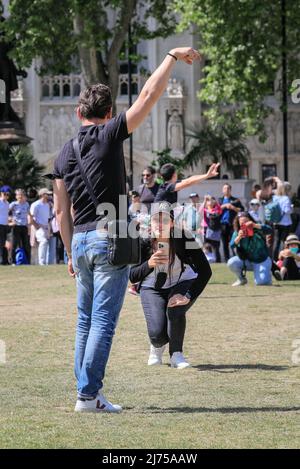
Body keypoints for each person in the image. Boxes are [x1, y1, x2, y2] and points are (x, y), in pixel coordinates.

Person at [52, 47, 202, 413]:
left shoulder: (63, 153)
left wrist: (70, 252)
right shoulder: (108, 136)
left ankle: (85, 392)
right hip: (109, 237)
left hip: (82, 241)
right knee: (102, 320)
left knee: (84, 320)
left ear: (77, 113)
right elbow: (149, 95)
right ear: (108, 114)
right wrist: (170, 57)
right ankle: (88, 396)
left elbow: (60, 210)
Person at [129, 202, 212, 369]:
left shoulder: (183, 237)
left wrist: (187, 295)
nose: (160, 224)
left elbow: (205, 271)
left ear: (172, 223)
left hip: (181, 282)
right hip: (152, 288)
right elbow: (131, 276)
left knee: (175, 309)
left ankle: (176, 354)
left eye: (165, 220)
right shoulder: (143, 242)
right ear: (150, 224)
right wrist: (149, 264)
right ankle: (156, 347)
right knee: (158, 334)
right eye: (156, 220)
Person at [228, 212, 273, 286]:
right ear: (238, 223)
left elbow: (269, 230)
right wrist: (239, 237)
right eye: (242, 223)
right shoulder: (238, 232)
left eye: (246, 221)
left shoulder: (258, 228)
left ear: (250, 220)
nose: (244, 224)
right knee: (231, 262)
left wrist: (255, 225)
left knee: (261, 283)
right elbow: (232, 245)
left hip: (261, 261)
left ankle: (267, 273)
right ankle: (241, 279)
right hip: (248, 261)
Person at [155, 162, 220, 205]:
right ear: (174, 175)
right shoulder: (168, 187)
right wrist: (206, 176)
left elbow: (190, 179)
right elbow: (188, 182)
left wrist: (207, 175)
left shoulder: (167, 186)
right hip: (160, 223)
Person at [219, 183, 244, 262]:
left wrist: (233, 207)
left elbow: (242, 210)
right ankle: (227, 259)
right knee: (224, 243)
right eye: (225, 188)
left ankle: (235, 258)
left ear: (230, 190)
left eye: (228, 188)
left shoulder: (236, 200)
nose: (226, 190)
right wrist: (224, 206)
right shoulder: (220, 200)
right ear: (222, 190)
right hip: (223, 224)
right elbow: (215, 210)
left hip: (232, 224)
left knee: (233, 241)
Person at [30, 188, 51, 265]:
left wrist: (49, 228)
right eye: (47, 194)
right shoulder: (35, 204)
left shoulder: (47, 205)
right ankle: (41, 262)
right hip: (38, 227)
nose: (49, 195)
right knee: (43, 242)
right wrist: (37, 226)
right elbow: (31, 217)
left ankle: (43, 262)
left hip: (45, 227)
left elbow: (47, 218)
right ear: (42, 195)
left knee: (45, 244)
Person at [9, 188, 31, 264]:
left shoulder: (26, 204)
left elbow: (29, 214)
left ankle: (28, 262)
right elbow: (6, 213)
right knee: (14, 245)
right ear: (16, 196)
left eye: (21, 194)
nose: (20, 196)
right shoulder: (13, 204)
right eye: (18, 195)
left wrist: (29, 225)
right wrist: (10, 220)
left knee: (26, 245)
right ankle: (13, 262)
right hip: (16, 226)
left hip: (24, 226)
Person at [272, 182, 293, 261]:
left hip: (276, 222)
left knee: (276, 241)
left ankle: (274, 259)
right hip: (285, 222)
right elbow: (287, 210)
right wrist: (291, 208)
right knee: (283, 241)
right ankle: (282, 258)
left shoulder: (275, 197)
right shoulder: (286, 198)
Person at [202, 195, 222, 263]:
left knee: (216, 247)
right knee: (206, 246)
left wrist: (214, 201)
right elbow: (200, 210)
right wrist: (205, 200)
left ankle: (217, 261)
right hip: (208, 230)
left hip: (216, 230)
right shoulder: (206, 210)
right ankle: (207, 259)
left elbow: (219, 209)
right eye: (209, 201)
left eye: (211, 201)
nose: (210, 202)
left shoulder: (217, 210)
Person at [0, 185, 11, 265]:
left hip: (5, 225)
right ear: (1, 193)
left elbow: (6, 214)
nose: (6, 196)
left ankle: (4, 261)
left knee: (3, 243)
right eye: (5, 194)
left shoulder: (7, 203)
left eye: (8, 194)